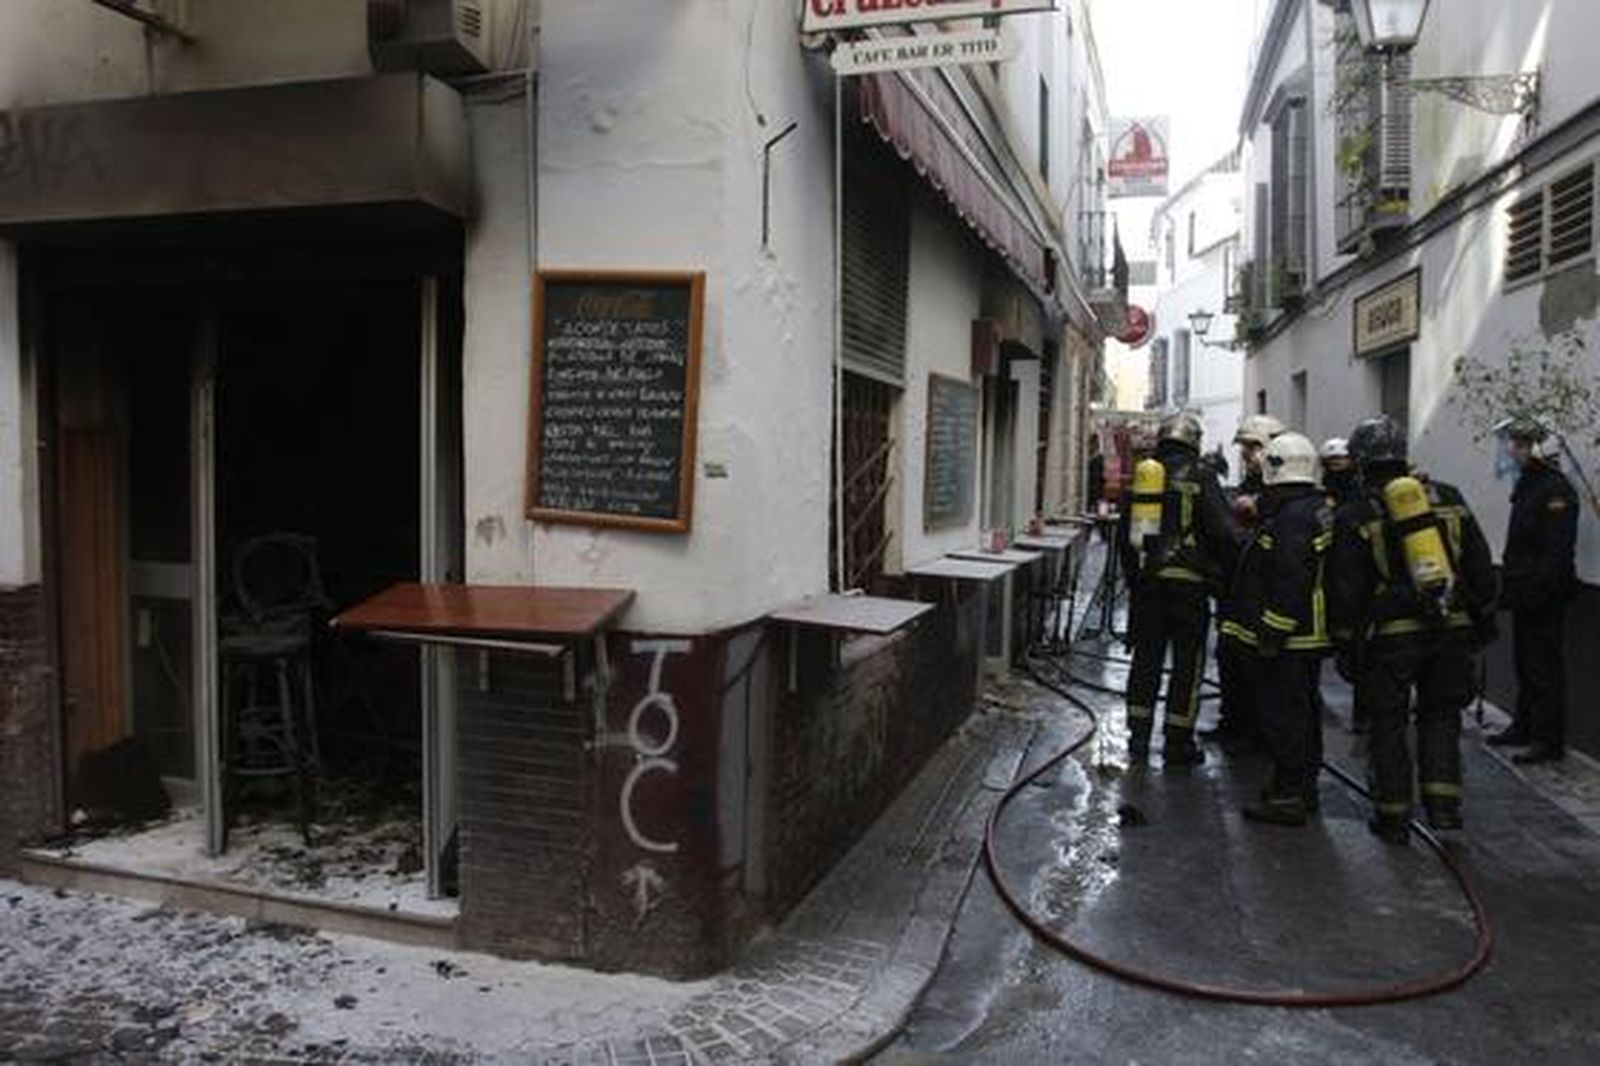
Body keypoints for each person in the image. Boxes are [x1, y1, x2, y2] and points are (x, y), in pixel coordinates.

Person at [1328, 416, 1497, 843]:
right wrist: (1480, 618)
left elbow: (1346, 588)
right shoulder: (1448, 497)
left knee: (1387, 723)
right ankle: (1444, 808)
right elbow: (1479, 565)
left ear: (1362, 460)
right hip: (1451, 629)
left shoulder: (1356, 512)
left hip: (1391, 637)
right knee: (1441, 717)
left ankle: (1393, 816)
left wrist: (1346, 645)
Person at [1222, 433, 1333, 825]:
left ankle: (1289, 796)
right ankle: (1301, 789)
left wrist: (1271, 633)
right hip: (1306, 636)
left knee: (1286, 718)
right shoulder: (1314, 508)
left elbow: (1290, 580)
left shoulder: (1292, 520)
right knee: (1302, 714)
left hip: (1289, 639)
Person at [1116, 411, 1238, 767]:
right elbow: (1223, 532)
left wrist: (1135, 581)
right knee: (1188, 664)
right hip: (1189, 588)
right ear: (1193, 442)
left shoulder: (1145, 476)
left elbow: (1126, 539)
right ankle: (1177, 742)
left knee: (1146, 660)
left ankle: (1138, 737)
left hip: (1148, 585)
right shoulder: (1202, 476)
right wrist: (1223, 577)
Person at [1486, 417, 1580, 764]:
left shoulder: (1555, 490)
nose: (1514, 449)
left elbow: (1556, 551)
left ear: (1539, 447)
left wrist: (1538, 589)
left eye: (1523, 443)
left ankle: (1548, 739)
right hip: (1524, 592)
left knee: (1544, 668)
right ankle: (1524, 725)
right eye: (1515, 442)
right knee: (1525, 664)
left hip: (1544, 595)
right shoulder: (1529, 484)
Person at [1204, 413, 1285, 749]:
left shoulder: (1279, 490)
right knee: (1229, 657)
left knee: (1256, 667)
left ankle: (1254, 732)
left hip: (1262, 595)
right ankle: (1232, 722)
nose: (1246, 455)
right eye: (1245, 448)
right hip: (1234, 591)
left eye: (1253, 447)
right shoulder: (1248, 488)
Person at [1319, 437, 1360, 507]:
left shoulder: (1359, 483)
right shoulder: (1326, 483)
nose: (1335, 461)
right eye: (1331, 458)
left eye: (1340, 457)